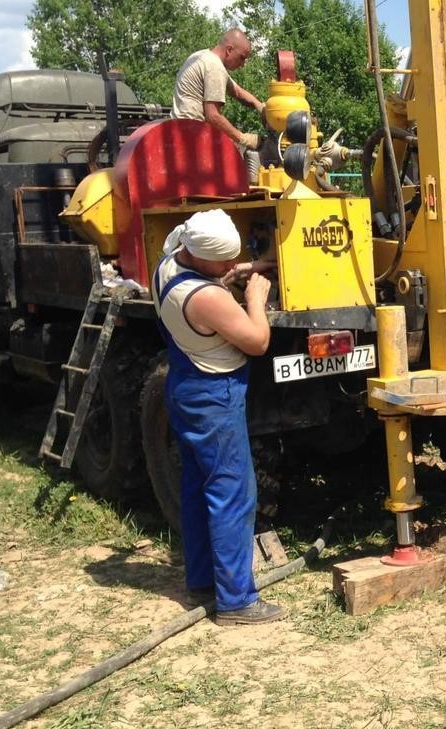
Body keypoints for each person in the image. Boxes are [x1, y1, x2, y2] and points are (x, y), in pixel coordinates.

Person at [152, 209, 283, 626]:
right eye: (225, 262)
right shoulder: (205, 298)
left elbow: (209, 263)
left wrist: (245, 268)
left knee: (197, 489)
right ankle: (237, 601)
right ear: (201, 257)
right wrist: (255, 300)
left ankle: (203, 584)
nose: (232, 267)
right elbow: (258, 341)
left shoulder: (170, 259)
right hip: (215, 396)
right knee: (233, 493)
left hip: (185, 384)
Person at [172, 28, 265, 153]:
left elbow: (236, 91)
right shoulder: (214, 67)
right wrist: (243, 138)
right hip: (191, 135)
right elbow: (213, 116)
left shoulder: (202, 56)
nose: (243, 64)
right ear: (229, 50)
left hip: (177, 129)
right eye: (242, 58)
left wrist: (260, 106)